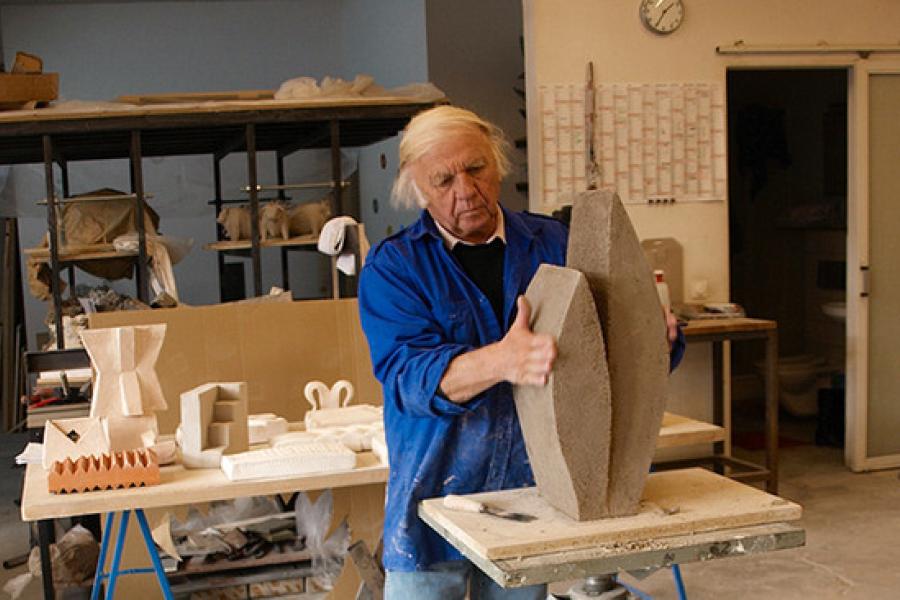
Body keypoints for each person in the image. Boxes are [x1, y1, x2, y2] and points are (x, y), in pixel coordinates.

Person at [358, 106, 684, 600]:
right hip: (434, 495)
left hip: (534, 494)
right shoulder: (395, 267)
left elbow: (614, 359)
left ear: (497, 163)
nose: (465, 190)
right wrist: (503, 361)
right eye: (443, 180)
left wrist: (655, 339)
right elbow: (407, 378)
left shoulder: (554, 243)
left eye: (475, 169)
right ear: (416, 188)